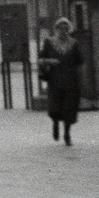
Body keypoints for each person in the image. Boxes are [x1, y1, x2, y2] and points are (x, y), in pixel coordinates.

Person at [38, 18, 83, 146]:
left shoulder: (74, 43)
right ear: (56, 29)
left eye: (66, 28)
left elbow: (80, 61)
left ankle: (67, 135)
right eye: (60, 28)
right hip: (55, 79)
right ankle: (55, 123)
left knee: (69, 108)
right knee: (55, 106)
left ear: (69, 30)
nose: (63, 31)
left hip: (71, 80)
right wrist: (49, 61)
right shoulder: (49, 42)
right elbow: (41, 58)